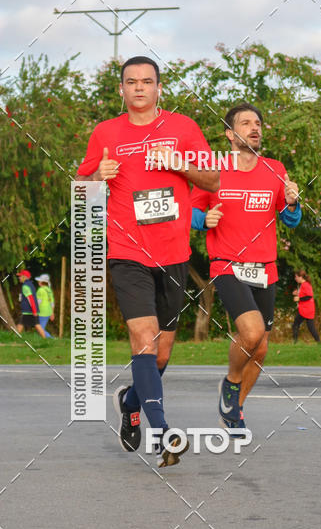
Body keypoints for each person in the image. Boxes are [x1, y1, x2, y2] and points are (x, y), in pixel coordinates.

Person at [77, 55, 219, 467]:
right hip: (126, 253)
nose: (139, 87)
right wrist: (94, 177)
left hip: (173, 254)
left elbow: (214, 180)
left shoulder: (183, 128)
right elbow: (82, 191)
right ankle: (163, 433)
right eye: (131, 81)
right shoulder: (104, 133)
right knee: (144, 338)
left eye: (147, 81)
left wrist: (180, 164)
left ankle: (130, 401)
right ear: (120, 89)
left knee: (159, 355)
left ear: (159, 88)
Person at [191, 102, 301, 430]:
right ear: (229, 134)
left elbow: (289, 219)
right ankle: (231, 381)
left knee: (262, 346)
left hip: (265, 266)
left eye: (257, 123)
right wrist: (202, 219)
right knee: (250, 332)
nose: (254, 128)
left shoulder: (275, 168)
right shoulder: (212, 167)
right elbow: (188, 213)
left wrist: (293, 203)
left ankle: (233, 410)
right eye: (245, 123)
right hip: (227, 263)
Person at [16, 270, 46, 339]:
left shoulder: (25, 286)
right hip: (31, 310)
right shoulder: (30, 284)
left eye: (20, 276)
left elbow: (31, 299)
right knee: (36, 325)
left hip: (29, 311)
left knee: (21, 325)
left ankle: (14, 340)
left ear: (24, 277)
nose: (19, 278)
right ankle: (45, 340)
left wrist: (34, 311)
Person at [292, 270, 321, 343]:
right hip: (307, 309)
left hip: (306, 310)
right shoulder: (303, 285)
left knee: (296, 324)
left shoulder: (305, 284)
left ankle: (295, 343)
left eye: (296, 277)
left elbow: (309, 296)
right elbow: (305, 294)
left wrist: (299, 298)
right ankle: (319, 342)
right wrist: (297, 293)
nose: (295, 278)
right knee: (310, 327)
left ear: (301, 277)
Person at [35, 273, 55, 338]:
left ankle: (51, 339)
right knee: (40, 327)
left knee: (40, 328)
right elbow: (52, 303)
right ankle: (46, 339)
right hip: (48, 311)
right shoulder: (49, 290)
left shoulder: (40, 290)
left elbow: (38, 302)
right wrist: (52, 313)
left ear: (41, 282)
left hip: (42, 311)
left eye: (39, 281)